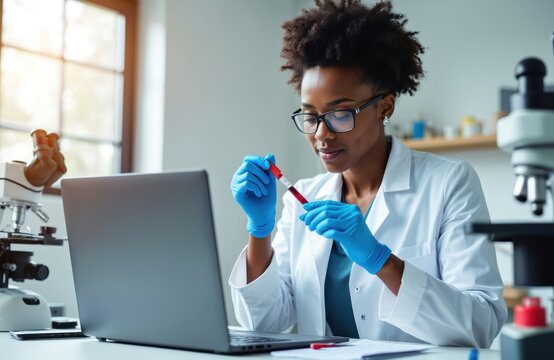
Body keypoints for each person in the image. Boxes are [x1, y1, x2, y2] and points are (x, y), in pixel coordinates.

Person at [229, 0, 506, 348]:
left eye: (340, 114)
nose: (321, 134)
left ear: (385, 106)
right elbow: (266, 321)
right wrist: (260, 230)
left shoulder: (448, 183)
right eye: (310, 115)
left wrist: (380, 259)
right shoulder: (304, 196)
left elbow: (480, 324)